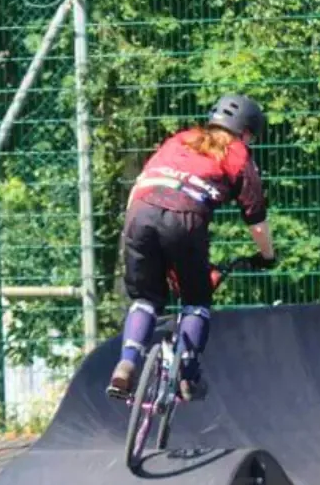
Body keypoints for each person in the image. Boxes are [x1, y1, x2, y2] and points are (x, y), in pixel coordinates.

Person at [106, 93, 276, 403]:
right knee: (196, 300)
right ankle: (187, 375)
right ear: (246, 132)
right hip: (184, 219)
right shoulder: (239, 155)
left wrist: (133, 233)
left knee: (145, 298)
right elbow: (257, 221)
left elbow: (139, 186)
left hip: (139, 213)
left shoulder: (180, 140)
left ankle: (126, 363)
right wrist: (267, 256)